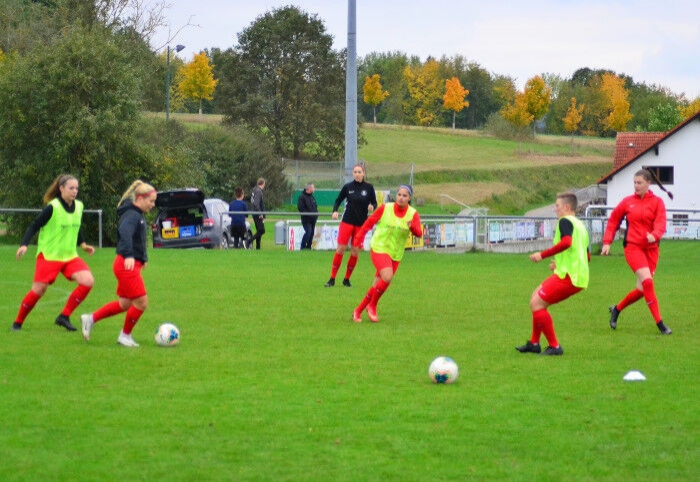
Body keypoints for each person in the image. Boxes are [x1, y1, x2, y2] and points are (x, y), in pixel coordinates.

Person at [12, 174, 95, 331]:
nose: (75, 191)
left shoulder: (79, 206)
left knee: (88, 281)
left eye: (76, 188)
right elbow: (34, 225)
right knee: (39, 290)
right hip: (49, 256)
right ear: (61, 188)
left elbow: (76, 226)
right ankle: (17, 323)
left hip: (69, 256)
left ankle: (64, 316)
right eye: (71, 188)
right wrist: (24, 244)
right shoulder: (53, 207)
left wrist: (83, 245)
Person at [80, 181, 157, 347]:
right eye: (151, 201)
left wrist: (142, 259)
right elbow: (124, 232)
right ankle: (125, 336)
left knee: (125, 304)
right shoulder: (132, 215)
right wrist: (129, 255)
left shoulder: (136, 214)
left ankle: (90, 319)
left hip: (129, 265)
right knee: (141, 302)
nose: (153, 204)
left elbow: (137, 240)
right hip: (126, 265)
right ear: (140, 198)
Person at [516, 192, 590, 356]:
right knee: (535, 296)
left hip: (570, 276)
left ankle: (555, 346)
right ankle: (534, 343)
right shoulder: (580, 226)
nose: (555, 209)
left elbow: (567, 243)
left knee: (537, 304)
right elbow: (586, 256)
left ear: (567, 207)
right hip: (573, 274)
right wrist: (560, 263)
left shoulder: (565, 221)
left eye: (557, 206)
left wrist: (542, 255)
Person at [601, 169, 671, 334]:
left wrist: (654, 235)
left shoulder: (657, 202)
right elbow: (613, 221)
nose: (636, 186)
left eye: (639, 183)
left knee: (641, 291)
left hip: (651, 250)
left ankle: (617, 309)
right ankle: (660, 324)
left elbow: (661, 223)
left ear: (648, 183)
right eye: (634, 182)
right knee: (648, 282)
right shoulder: (627, 202)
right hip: (633, 247)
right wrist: (607, 242)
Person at [351, 185, 422, 323]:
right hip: (379, 247)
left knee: (377, 284)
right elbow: (369, 222)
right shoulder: (386, 208)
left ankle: (357, 311)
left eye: (405, 196)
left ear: (409, 198)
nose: (401, 198)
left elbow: (419, 233)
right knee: (387, 276)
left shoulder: (413, 214)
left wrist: (412, 227)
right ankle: (372, 305)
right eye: (399, 194)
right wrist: (358, 239)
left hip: (395, 253)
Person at [324, 164, 377, 287]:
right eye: (355, 172)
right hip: (347, 221)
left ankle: (346, 279)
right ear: (353, 173)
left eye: (359, 172)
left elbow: (374, 203)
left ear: (363, 173)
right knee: (341, 249)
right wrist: (335, 211)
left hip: (361, 224)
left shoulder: (369, 188)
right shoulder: (348, 187)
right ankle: (332, 278)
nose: (357, 174)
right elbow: (338, 200)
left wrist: (372, 206)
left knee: (355, 251)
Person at [297, 182, 318, 250]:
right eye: (313, 187)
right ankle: (302, 246)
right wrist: (309, 215)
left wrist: (316, 214)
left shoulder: (312, 197)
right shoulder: (302, 197)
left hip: (313, 219)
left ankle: (308, 247)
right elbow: (301, 208)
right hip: (306, 219)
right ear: (309, 188)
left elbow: (315, 207)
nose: (314, 189)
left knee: (311, 233)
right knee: (308, 232)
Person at [250, 178, 266, 250]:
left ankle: (258, 247)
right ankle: (248, 241)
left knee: (259, 231)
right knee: (261, 230)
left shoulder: (255, 190)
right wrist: (260, 213)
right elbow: (256, 203)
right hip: (257, 214)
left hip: (255, 213)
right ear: (263, 184)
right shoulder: (259, 191)